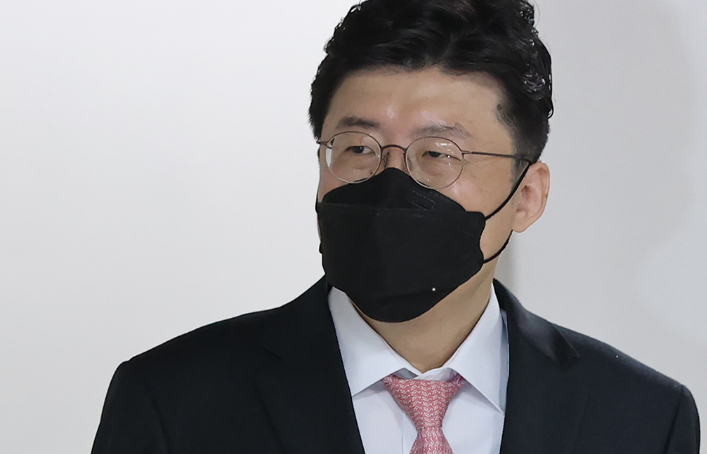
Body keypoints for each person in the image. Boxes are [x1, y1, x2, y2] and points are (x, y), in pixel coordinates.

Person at [91, 0, 700, 452]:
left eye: (438, 154)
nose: (389, 183)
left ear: (527, 196)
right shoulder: (173, 402)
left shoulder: (642, 418)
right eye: (358, 148)